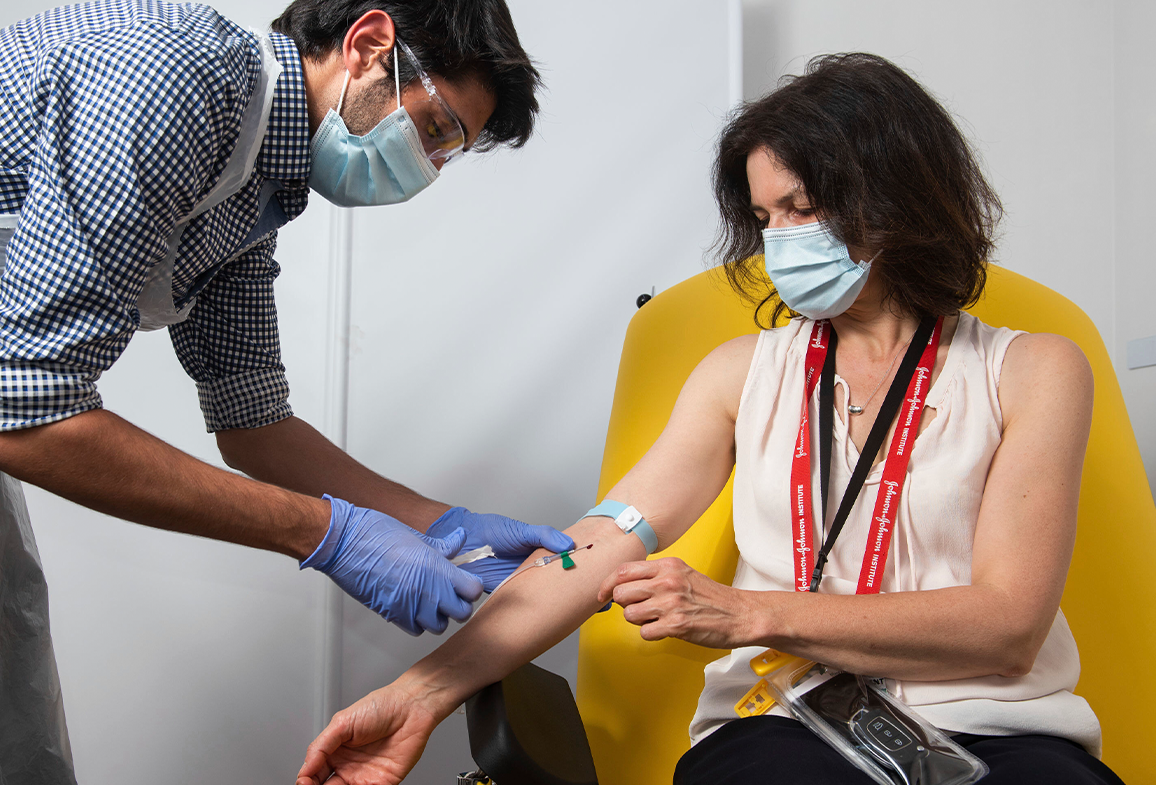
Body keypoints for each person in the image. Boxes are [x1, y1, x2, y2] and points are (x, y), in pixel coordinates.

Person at [0, 0, 576, 781]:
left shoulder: (260, 182)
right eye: (433, 130)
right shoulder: (173, 80)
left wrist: (440, 525)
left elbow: (253, 421)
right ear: (368, 44)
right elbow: (30, 421)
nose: (426, 168)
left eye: (446, 152)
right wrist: (326, 533)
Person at [295, 53, 1125, 785]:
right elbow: (592, 550)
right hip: (787, 721)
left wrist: (751, 613)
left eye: (801, 208)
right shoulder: (740, 377)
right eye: (764, 219)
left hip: (999, 731)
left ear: (895, 196)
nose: (779, 242)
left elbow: (1009, 626)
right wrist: (420, 692)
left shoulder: (1032, 369)